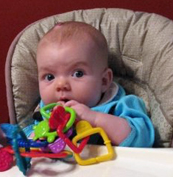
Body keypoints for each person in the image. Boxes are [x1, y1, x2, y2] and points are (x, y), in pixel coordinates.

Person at [27, 21, 155, 147]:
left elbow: (143, 139)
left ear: (104, 81)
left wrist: (95, 119)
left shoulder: (120, 106)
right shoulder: (45, 112)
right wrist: (35, 137)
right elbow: (26, 137)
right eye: (50, 77)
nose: (61, 84)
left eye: (78, 73)